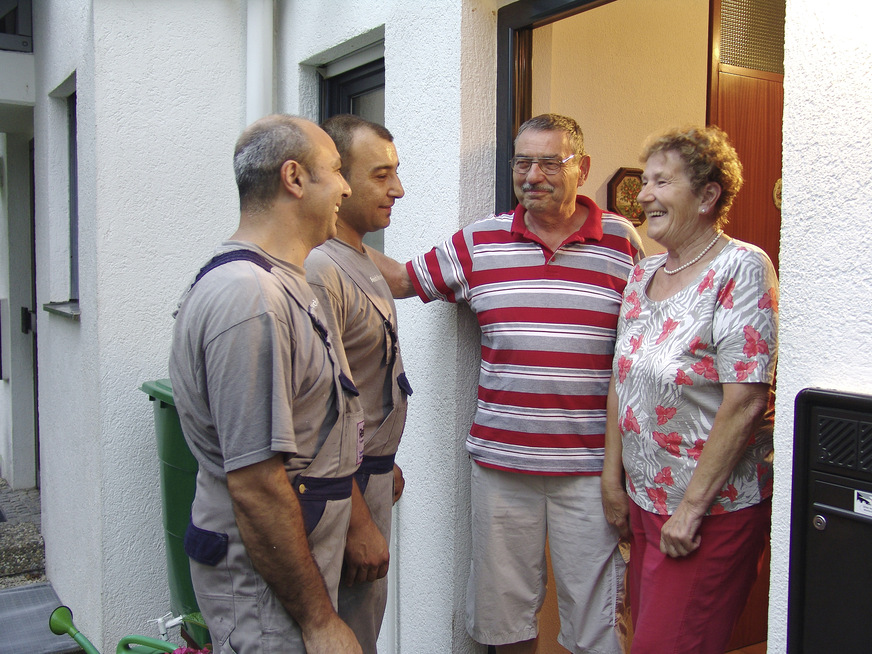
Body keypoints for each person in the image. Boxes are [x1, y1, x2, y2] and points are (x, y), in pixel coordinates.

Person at [372, 113, 644, 654]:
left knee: (599, 624)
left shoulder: (622, 242)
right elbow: (403, 279)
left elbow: (649, 340)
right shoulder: (482, 241)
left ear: (582, 169)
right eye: (523, 162)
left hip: (591, 471)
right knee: (504, 617)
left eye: (550, 161)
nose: (533, 174)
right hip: (501, 467)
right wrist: (324, 233)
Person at [169, 114, 365, 654]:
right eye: (337, 171)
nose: (347, 187)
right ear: (295, 178)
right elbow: (256, 484)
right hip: (264, 593)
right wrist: (321, 622)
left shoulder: (282, 281)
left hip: (288, 575)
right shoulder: (250, 298)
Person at [601, 125, 778, 654]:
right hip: (645, 502)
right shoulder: (644, 273)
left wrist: (691, 509)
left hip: (707, 512)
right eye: (646, 181)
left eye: (662, 182)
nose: (646, 194)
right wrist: (613, 480)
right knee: (642, 640)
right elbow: (621, 379)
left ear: (707, 196)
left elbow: (746, 401)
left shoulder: (741, 268)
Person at [305, 114, 411, 653]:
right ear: (339, 180)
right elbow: (320, 412)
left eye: (396, 172)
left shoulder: (360, 256)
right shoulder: (320, 270)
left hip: (370, 479)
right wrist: (356, 521)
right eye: (380, 175)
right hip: (343, 497)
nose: (397, 189)